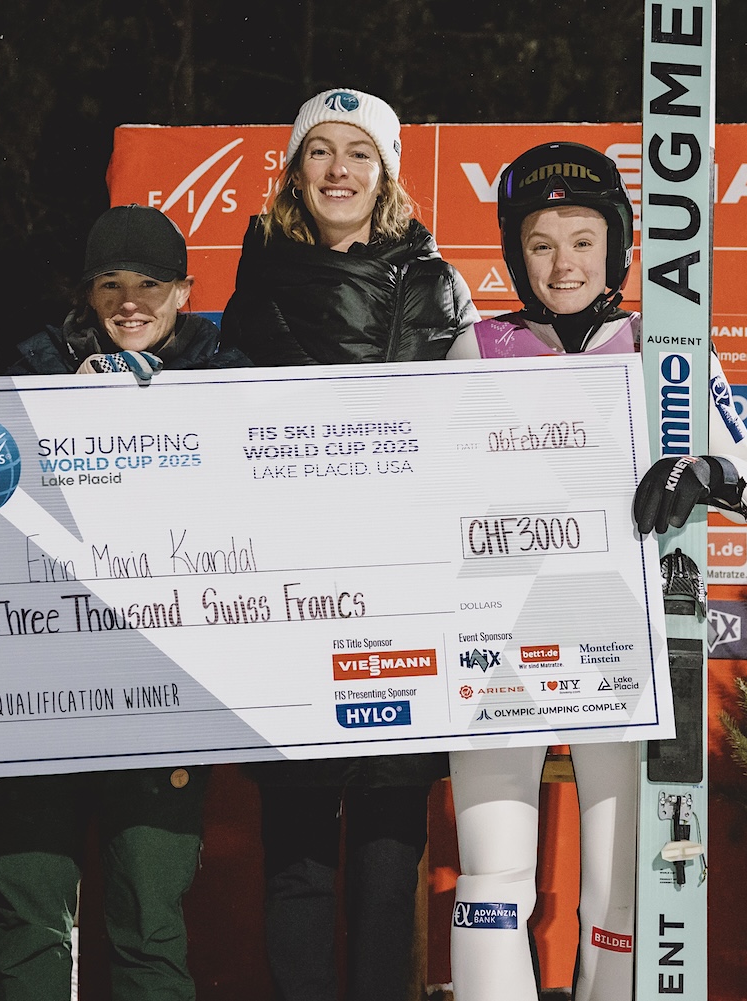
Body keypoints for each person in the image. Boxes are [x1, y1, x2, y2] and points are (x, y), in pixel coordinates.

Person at [443, 141, 747, 1001]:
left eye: (583, 240)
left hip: (616, 643)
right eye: (541, 243)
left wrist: (703, 471)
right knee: (490, 882)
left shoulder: (665, 345)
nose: (563, 263)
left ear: (618, 247)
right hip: (500, 644)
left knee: (617, 890)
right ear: (515, 252)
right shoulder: (477, 346)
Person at [221, 87, 477, 1001]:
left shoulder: (438, 284)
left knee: (386, 855)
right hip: (292, 599)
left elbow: (473, 430)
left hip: (401, 601)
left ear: (387, 173)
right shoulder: (254, 283)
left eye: (359, 152)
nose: (339, 170)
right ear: (295, 172)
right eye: (320, 151)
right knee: (296, 853)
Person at [0, 204, 249, 1001]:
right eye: (110, 285)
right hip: (37, 683)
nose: (130, 302)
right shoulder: (29, 367)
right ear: (87, 294)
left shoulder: (231, 377)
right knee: (29, 916)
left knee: (149, 918)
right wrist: (57, 413)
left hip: (160, 686)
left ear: (185, 292)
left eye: (150, 284)